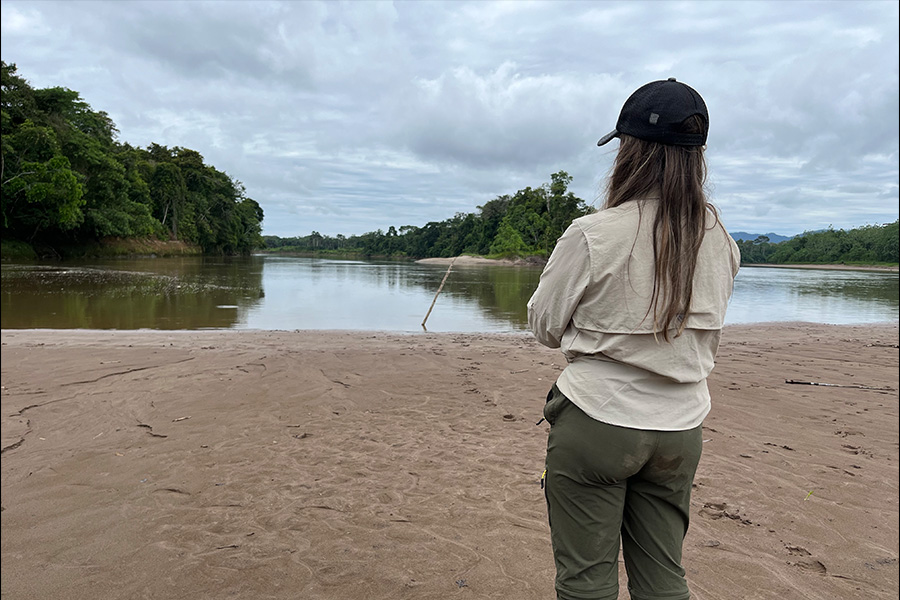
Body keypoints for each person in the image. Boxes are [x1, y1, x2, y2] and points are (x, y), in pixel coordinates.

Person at [527, 78, 740, 600]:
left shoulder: (593, 233)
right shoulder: (721, 239)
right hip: (682, 427)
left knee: (586, 579)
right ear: (697, 157)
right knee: (664, 575)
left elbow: (544, 327)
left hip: (597, 418)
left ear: (629, 152)